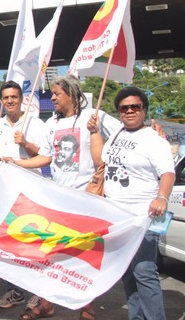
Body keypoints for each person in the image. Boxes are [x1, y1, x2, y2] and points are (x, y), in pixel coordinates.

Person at [7, 74, 120, 319]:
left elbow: (124, 134)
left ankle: (87, 305)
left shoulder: (94, 117)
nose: (53, 99)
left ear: (72, 94)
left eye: (57, 94)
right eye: (52, 94)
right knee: (51, 252)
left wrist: (152, 130)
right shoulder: (52, 125)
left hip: (88, 199)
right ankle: (47, 303)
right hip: (59, 200)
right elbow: (45, 157)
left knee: (85, 254)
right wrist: (14, 162)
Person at [89, 86, 175, 320]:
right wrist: (94, 132)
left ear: (144, 110)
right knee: (127, 272)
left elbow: (168, 172)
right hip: (118, 217)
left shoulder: (153, 139)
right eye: (124, 108)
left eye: (135, 107)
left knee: (145, 272)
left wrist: (162, 197)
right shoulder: (117, 134)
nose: (129, 111)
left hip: (143, 216)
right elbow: (101, 161)